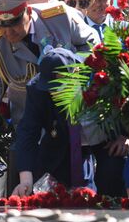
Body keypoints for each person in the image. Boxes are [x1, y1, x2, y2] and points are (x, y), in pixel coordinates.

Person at [0, 0, 100, 160]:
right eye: (1, 26)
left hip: (75, 117)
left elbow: (94, 46)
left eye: (15, 24)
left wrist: (72, 67)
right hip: (32, 126)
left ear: (29, 12)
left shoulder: (60, 18)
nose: (9, 33)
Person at [12, 48, 95, 195]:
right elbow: (27, 132)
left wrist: (123, 137)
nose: (54, 93)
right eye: (50, 89)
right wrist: (25, 179)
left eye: (58, 87)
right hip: (55, 149)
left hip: (94, 149)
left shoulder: (93, 77)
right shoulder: (37, 89)